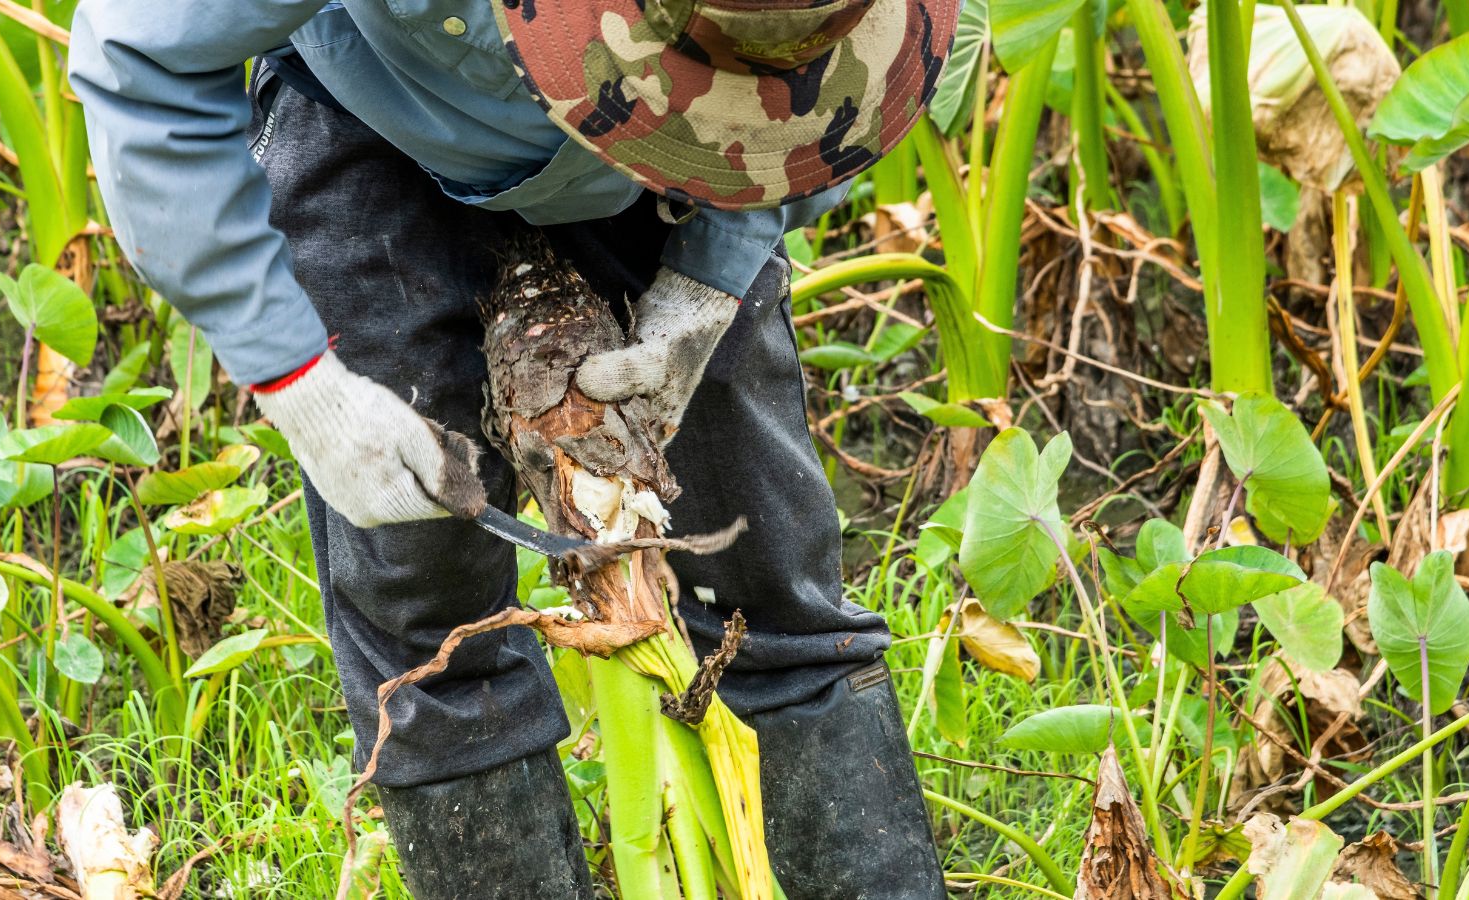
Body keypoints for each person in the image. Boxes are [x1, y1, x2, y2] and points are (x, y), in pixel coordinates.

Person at [70, 1, 956, 896]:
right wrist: (300, 382)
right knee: (433, 623)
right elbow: (139, 60)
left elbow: (857, 92)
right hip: (379, 117)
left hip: (688, 163)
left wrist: (710, 279)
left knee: (759, 572)